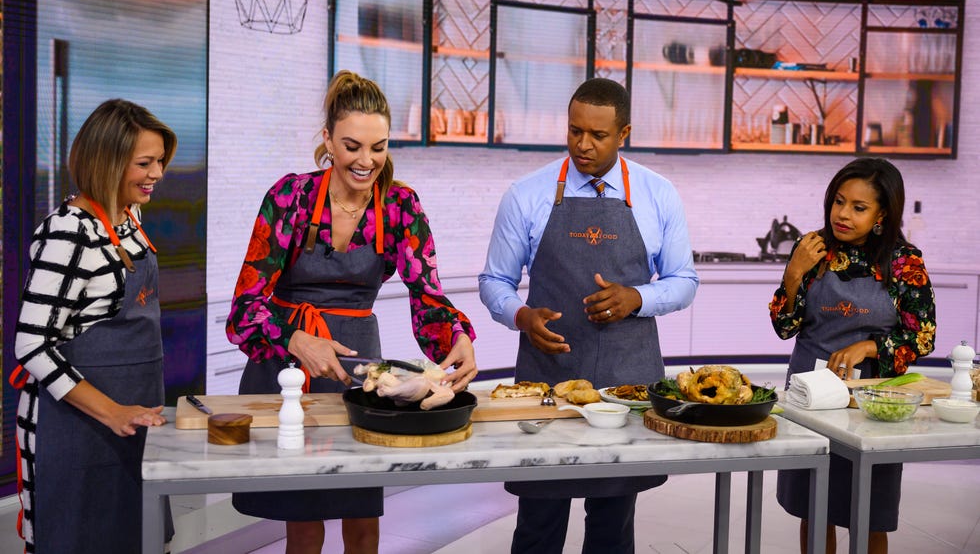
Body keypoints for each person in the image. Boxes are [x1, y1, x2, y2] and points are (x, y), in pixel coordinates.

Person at [226, 70, 478, 554]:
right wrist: (296, 340)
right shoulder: (291, 198)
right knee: (303, 518)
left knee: (362, 513)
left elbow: (428, 297)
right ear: (327, 140)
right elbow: (244, 309)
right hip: (287, 369)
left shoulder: (401, 207)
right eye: (352, 146)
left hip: (361, 372)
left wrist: (457, 338)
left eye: (378, 147)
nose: (366, 162)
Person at [478, 77, 699, 554]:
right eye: (575, 130)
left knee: (612, 524)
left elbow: (684, 282)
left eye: (598, 135)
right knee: (539, 519)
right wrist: (520, 316)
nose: (583, 144)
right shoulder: (527, 194)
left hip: (627, 381)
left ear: (624, 133)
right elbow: (493, 282)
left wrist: (636, 299)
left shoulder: (658, 194)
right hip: (546, 379)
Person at [10, 99, 177, 553]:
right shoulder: (68, 232)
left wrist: (129, 413)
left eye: (160, 160)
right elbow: (31, 345)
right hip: (75, 427)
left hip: (131, 416)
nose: (157, 173)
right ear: (107, 161)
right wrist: (112, 411)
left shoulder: (129, 218)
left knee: (132, 537)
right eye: (144, 163)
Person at [769, 157, 936, 554]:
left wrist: (870, 346)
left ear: (882, 213)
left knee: (870, 511)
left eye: (858, 208)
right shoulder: (812, 249)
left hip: (873, 401)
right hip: (810, 395)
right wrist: (794, 272)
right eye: (838, 201)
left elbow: (922, 336)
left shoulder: (904, 261)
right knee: (814, 507)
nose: (843, 215)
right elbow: (784, 327)